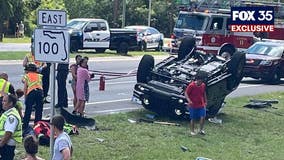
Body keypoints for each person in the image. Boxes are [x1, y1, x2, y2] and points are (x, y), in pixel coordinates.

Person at [0, 94, 22, 160]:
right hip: (5, 144)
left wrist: (0, 144)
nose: (2, 103)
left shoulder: (11, 116)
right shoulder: (8, 113)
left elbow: (8, 133)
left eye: (4, 101)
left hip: (6, 145)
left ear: (11, 103)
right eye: (2, 101)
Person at [22, 64, 43, 130]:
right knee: (39, 109)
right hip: (39, 92)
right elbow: (41, 85)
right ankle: (37, 124)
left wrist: (25, 97)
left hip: (31, 92)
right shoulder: (39, 76)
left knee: (28, 109)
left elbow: (25, 88)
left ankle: (25, 125)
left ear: (28, 70)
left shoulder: (27, 76)